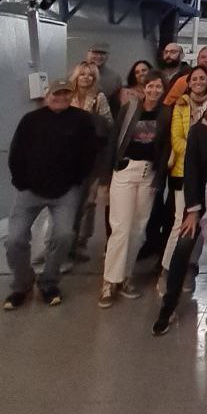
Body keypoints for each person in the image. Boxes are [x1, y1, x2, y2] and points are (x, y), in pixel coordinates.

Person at [4, 80, 99, 309]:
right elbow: (16, 152)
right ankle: (22, 283)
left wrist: (78, 180)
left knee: (64, 235)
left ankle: (48, 281)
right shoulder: (31, 120)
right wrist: (21, 181)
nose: (61, 97)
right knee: (15, 239)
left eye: (66, 93)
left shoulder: (82, 120)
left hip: (65, 192)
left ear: (71, 95)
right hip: (30, 190)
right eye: (57, 93)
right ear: (48, 95)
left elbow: (90, 153)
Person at [152, 88, 207, 335]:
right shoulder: (198, 131)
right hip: (198, 203)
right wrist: (193, 210)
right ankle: (167, 308)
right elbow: (191, 171)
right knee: (183, 249)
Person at [99, 70, 171, 308]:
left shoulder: (166, 114)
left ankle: (126, 276)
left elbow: (165, 149)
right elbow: (113, 142)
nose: (154, 91)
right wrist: (105, 177)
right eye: (150, 86)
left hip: (148, 174)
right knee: (120, 227)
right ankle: (110, 280)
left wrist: (159, 179)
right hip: (125, 171)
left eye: (158, 87)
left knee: (138, 229)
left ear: (163, 89)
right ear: (143, 88)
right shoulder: (129, 109)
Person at [157, 64, 207, 291]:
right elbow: (177, 138)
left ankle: (190, 266)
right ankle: (168, 269)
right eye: (194, 79)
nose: (198, 82)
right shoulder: (180, 105)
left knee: (202, 223)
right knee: (181, 221)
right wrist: (199, 149)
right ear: (188, 83)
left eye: (202, 78)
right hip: (183, 171)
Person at [68, 62, 112, 260]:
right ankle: (63, 242)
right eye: (82, 74)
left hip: (92, 156)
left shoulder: (99, 98)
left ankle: (81, 242)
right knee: (67, 202)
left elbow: (108, 124)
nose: (86, 78)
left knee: (88, 202)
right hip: (67, 157)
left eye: (90, 75)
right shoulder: (66, 95)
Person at [86, 43, 122, 112]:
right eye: (95, 53)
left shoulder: (115, 78)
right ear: (88, 54)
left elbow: (116, 106)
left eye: (103, 53)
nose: (99, 56)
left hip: (103, 119)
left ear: (107, 56)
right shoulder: (75, 74)